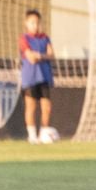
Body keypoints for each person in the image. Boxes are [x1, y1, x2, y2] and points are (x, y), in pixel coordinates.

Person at [19, 8, 57, 143]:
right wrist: (42, 56)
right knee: (31, 107)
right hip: (30, 77)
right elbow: (30, 58)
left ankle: (44, 134)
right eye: (32, 22)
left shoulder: (45, 38)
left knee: (46, 107)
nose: (35, 25)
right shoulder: (24, 39)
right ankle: (32, 135)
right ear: (26, 23)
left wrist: (40, 55)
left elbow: (51, 54)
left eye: (37, 22)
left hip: (44, 76)